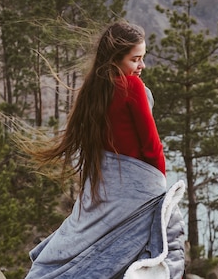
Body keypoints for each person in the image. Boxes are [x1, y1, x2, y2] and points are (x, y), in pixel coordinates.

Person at [23, 21, 186, 279]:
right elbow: (150, 144)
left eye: (142, 58)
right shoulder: (131, 87)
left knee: (95, 241)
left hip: (108, 188)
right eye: (136, 59)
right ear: (115, 59)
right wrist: (159, 185)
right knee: (166, 237)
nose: (141, 66)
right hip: (140, 186)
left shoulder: (94, 89)